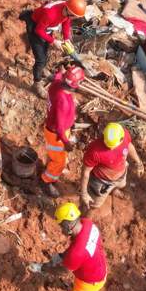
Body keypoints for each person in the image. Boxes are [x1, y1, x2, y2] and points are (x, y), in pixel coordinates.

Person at [19, 0, 88, 96]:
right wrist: (54, 41)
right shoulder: (50, 14)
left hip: (47, 28)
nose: (76, 18)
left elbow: (66, 22)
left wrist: (66, 38)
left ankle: (42, 69)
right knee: (40, 59)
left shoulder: (66, 8)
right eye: (75, 16)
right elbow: (38, 30)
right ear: (69, 10)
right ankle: (36, 84)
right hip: (36, 28)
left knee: (45, 51)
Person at [41, 65, 85, 198]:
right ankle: (46, 181)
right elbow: (60, 128)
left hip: (54, 128)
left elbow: (58, 76)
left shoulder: (56, 84)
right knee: (59, 161)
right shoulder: (63, 101)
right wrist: (66, 142)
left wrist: (61, 72)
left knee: (54, 156)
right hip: (56, 135)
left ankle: (50, 165)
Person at [80, 122, 145, 209]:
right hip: (102, 182)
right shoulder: (94, 151)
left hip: (121, 174)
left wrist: (139, 163)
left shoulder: (124, 135)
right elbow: (85, 172)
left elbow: (129, 146)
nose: (110, 148)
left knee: (122, 184)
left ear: (121, 139)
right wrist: (84, 193)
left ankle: (114, 190)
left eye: (112, 146)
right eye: (107, 145)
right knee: (94, 205)